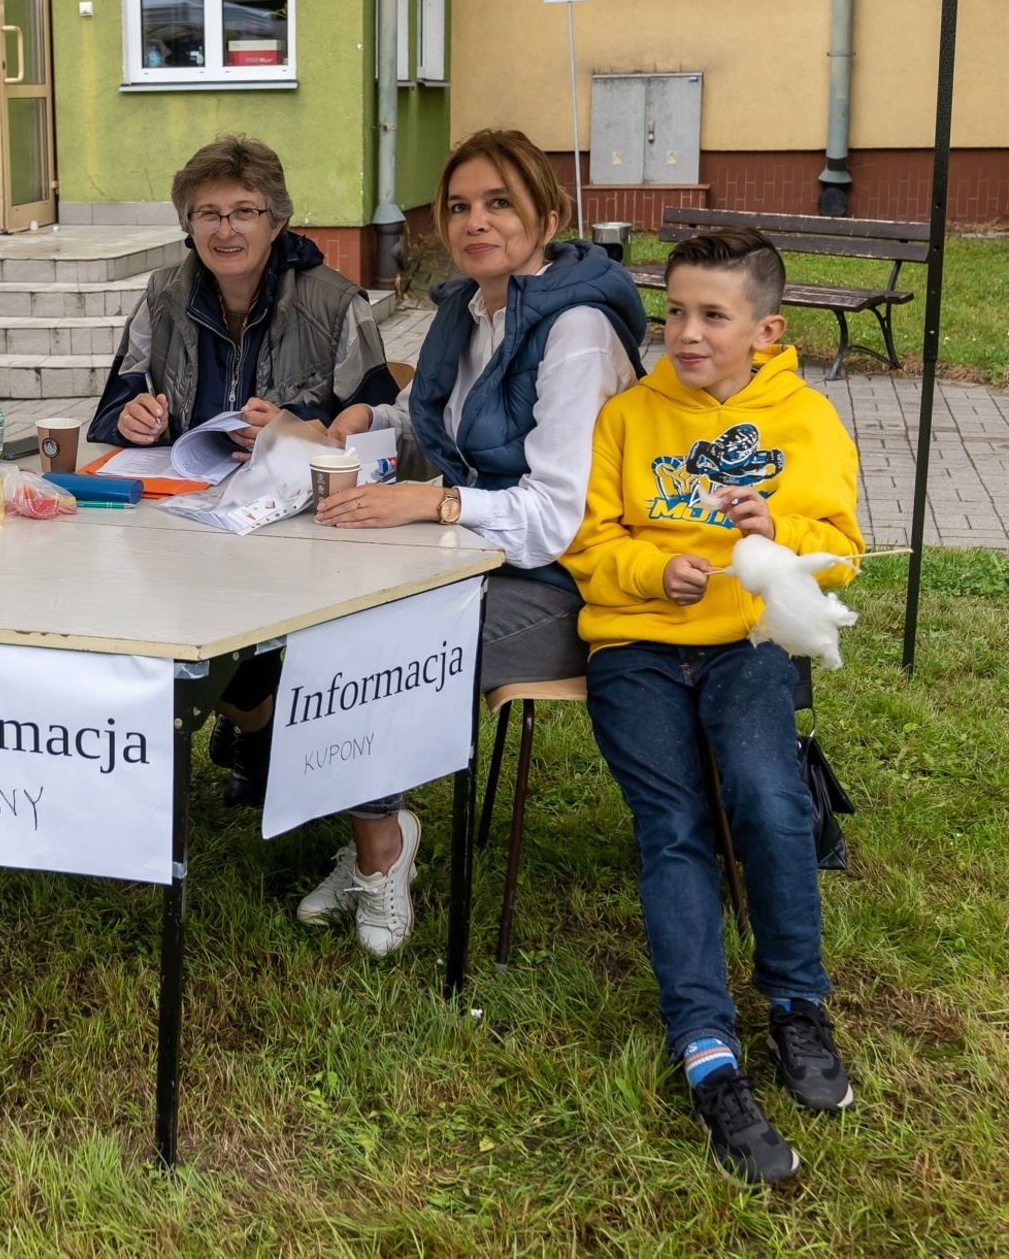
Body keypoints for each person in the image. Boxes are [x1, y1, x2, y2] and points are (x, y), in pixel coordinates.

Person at [564, 228, 861, 1188]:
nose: (686, 333)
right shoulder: (626, 416)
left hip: (746, 645)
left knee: (769, 799)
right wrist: (655, 570)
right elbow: (589, 543)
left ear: (766, 330)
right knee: (675, 825)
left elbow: (842, 549)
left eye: (712, 316)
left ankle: (797, 1004)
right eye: (675, 312)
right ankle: (706, 1046)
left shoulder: (805, 418)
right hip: (636, 648)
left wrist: (782, 530)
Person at [311, 129, 645, 955]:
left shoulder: (577, 332)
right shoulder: (468, 308)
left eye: (500, 203)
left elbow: (556, 516)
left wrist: (435, 502)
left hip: (578, 585)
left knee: (386, 637)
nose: (475, 222)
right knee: (332, 608)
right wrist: (366, 416)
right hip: (487, 561)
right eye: (459, 206)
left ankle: (381, 849)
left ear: (548, 216)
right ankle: (376, 833)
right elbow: (438, 417)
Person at [85, 134, 398, 905]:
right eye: (207, 214)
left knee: (255, 613)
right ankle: (252, 724)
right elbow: (117, 400)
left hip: (297, 522)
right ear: (188, 223)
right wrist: (133, 416)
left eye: (244, 212)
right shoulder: (162, 294)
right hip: (185, 512)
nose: (224, 230)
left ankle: (254, 723)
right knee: (148, 600)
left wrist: (301, 430)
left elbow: (382, 417)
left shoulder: (334, 300)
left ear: (277, 219)